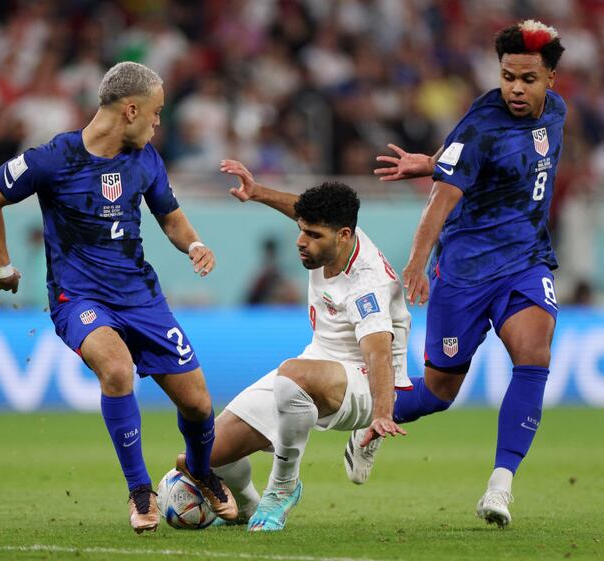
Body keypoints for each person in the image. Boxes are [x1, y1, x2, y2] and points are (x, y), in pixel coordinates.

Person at [0, 61, 238, 533]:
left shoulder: (146, 159)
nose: (158, 123)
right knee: (117, 370)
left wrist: (195, 244)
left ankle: (199, 471)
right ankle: (140, 491)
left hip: (142, 298)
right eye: (155, 112)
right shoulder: (54, 158)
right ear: (130, 110)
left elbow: (170, 217)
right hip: (79, 298)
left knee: (199, 404)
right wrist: (1, 265)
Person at [354, 20, 566, 529]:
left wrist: (431, 160)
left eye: (528, 79)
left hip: (525, 262)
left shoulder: (557, 113)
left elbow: (470, 164)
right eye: (508, 77)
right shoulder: (481, 123)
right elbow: (442, 199)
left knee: (534, 354)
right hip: (466, 272)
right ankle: (369, 419)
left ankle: (500, 486)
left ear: (550, 79)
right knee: (437, 394)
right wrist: (417, 263)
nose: (516, 88)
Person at [208, 159, 410, 532]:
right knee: (206, 453)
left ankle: (283, 487)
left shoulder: (366, 283)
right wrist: (257, 193)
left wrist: (382, 413)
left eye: (313, 235)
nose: (301, 241)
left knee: (292, 375)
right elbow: (302, 211)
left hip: (366, 380)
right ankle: (248, 506)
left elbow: (379, 352)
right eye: (302, 230)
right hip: (319, 361)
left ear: (344, 235)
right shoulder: (332, 237)